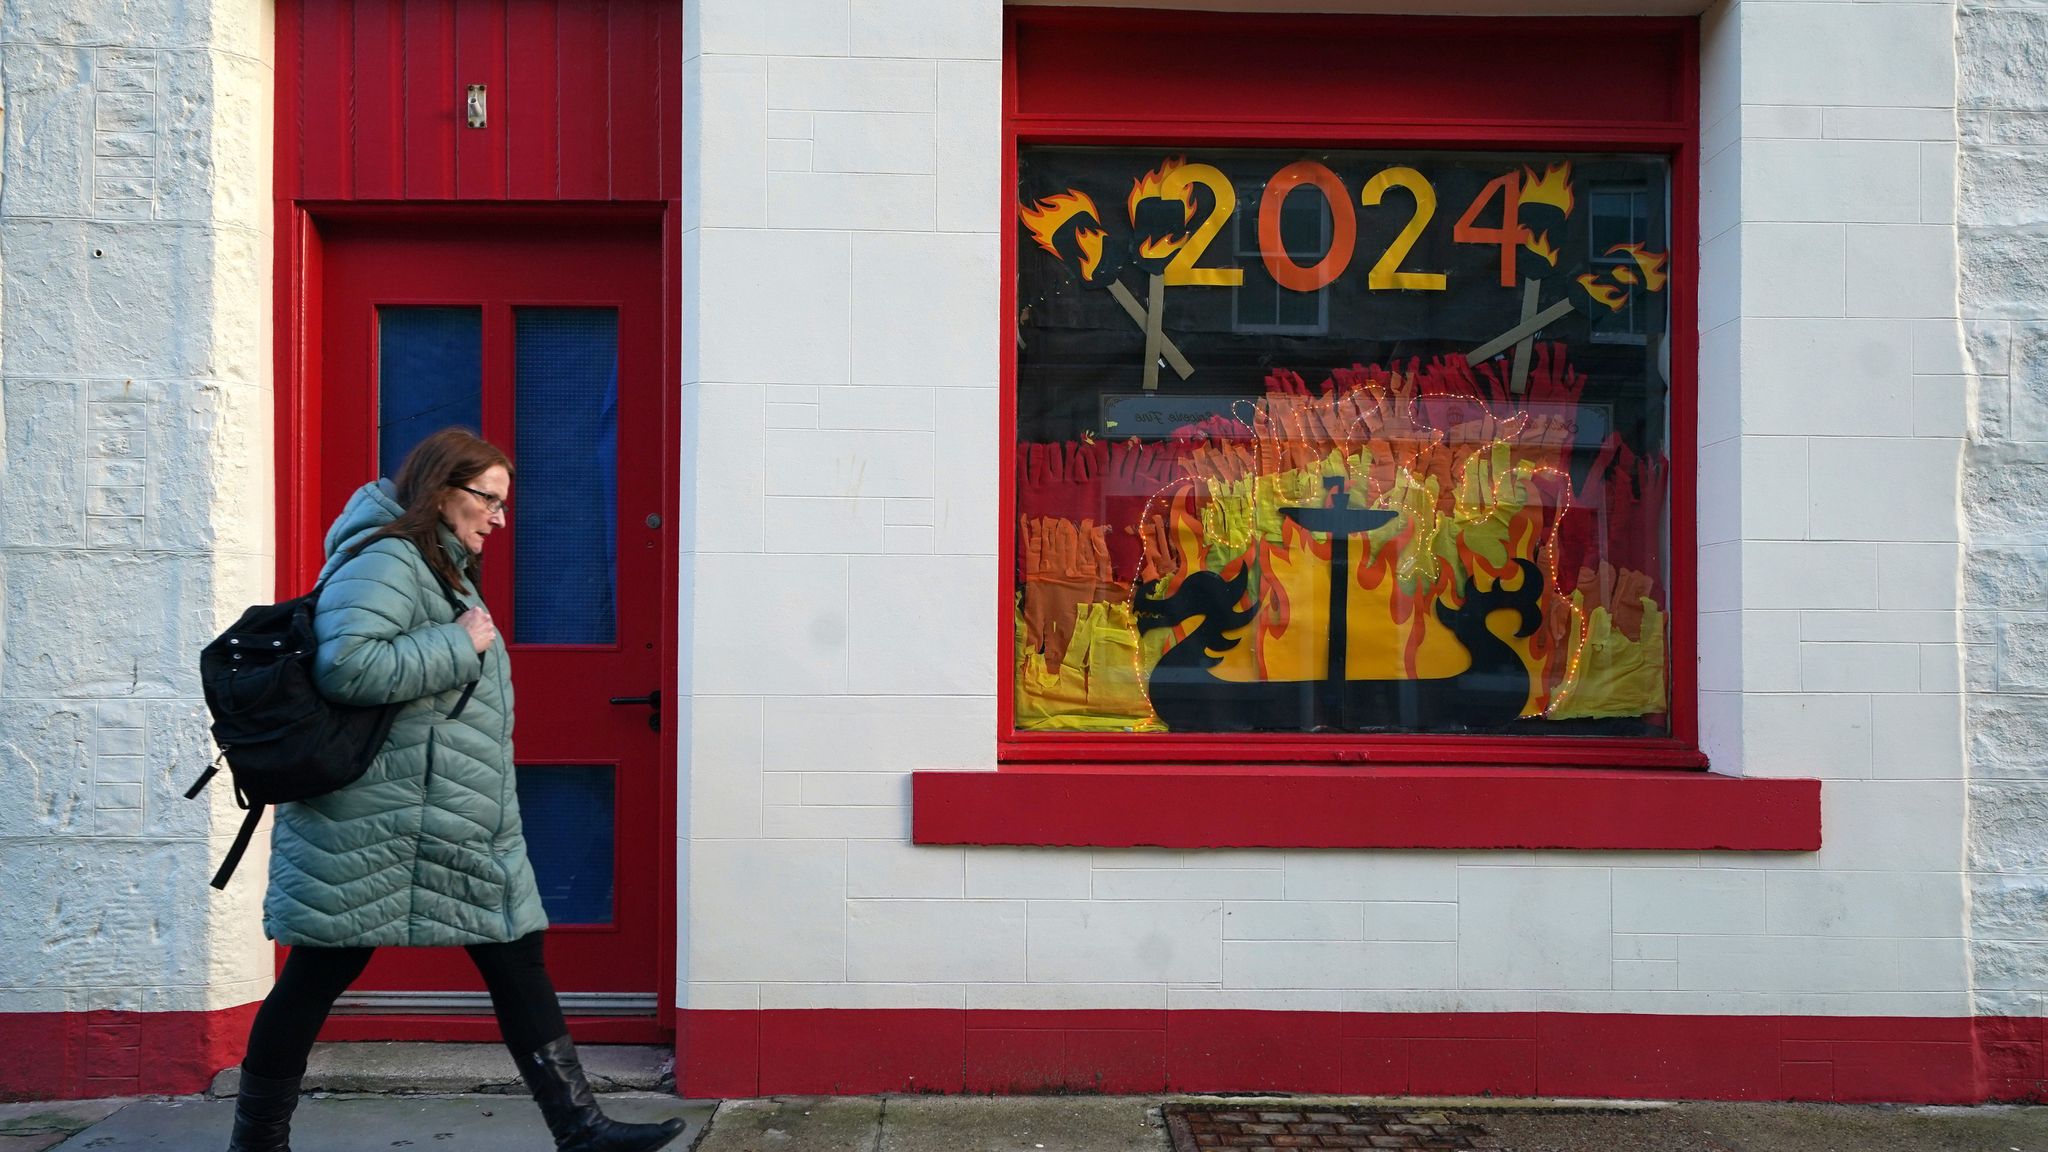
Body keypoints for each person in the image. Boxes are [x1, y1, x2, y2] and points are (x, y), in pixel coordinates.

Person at [226, 428, 682, 1152]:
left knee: (515, 950)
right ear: (443, 491)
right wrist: (456, 643)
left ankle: (580, 1129)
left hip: (445, 815)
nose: (500, 518)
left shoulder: (433, 562)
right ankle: (257, 1141)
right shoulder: (385, 560)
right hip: (377, 818)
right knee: (321, 968)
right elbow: (346, 667)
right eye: (489, 500)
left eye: (504, 504)